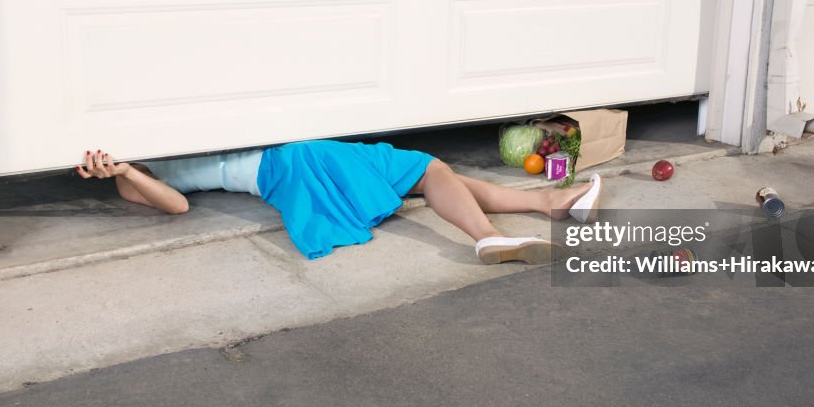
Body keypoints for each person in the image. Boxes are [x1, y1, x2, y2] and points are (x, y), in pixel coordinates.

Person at [76, 140, 602, 264]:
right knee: (426, 167)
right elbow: (177, 207)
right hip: (291, 162)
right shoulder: (135, 175)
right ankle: (487, 234)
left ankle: (547, 204)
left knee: (423, 173)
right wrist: (123, 170)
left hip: (294, 156)